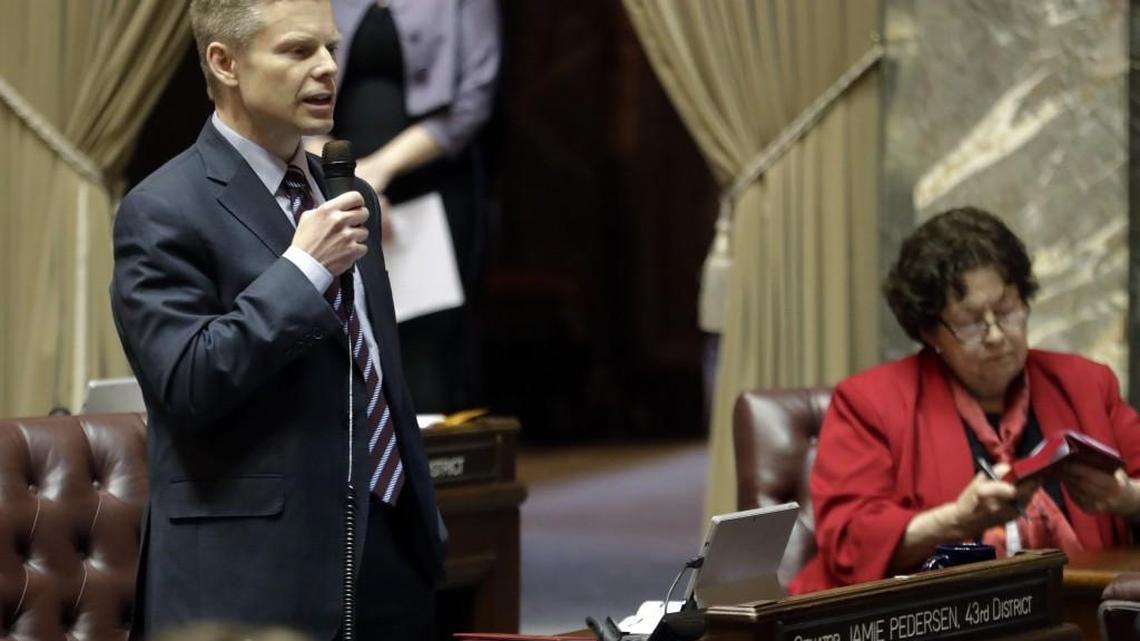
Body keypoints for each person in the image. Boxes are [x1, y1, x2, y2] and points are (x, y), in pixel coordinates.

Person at [110, 1, 443, 639]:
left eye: (331, 49)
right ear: (224, 62)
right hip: (253, 576)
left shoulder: (348, 194)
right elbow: (188, 383)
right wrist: (302, 272)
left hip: (389, 548)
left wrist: (424, 525)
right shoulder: (161, 209)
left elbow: (376, 373)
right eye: (297, 51)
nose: (326, 69)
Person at [790, 206, 1140, 594]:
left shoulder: (1086, 384)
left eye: (1007, 311)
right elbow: (850, 541)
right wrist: (956, 520)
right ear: (930, 331)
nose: (996, 335)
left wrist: (1124, 498)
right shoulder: (869, 403)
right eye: (972, 322)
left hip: (1081, 613)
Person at [312, 0, 500, 413]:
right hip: (331, 180)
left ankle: (431, 469)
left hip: (433, 183)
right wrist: (344, 181)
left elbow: (474, 99)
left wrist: (379, 170)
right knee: (340, 330)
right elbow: (290, 90)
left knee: (429, 343)